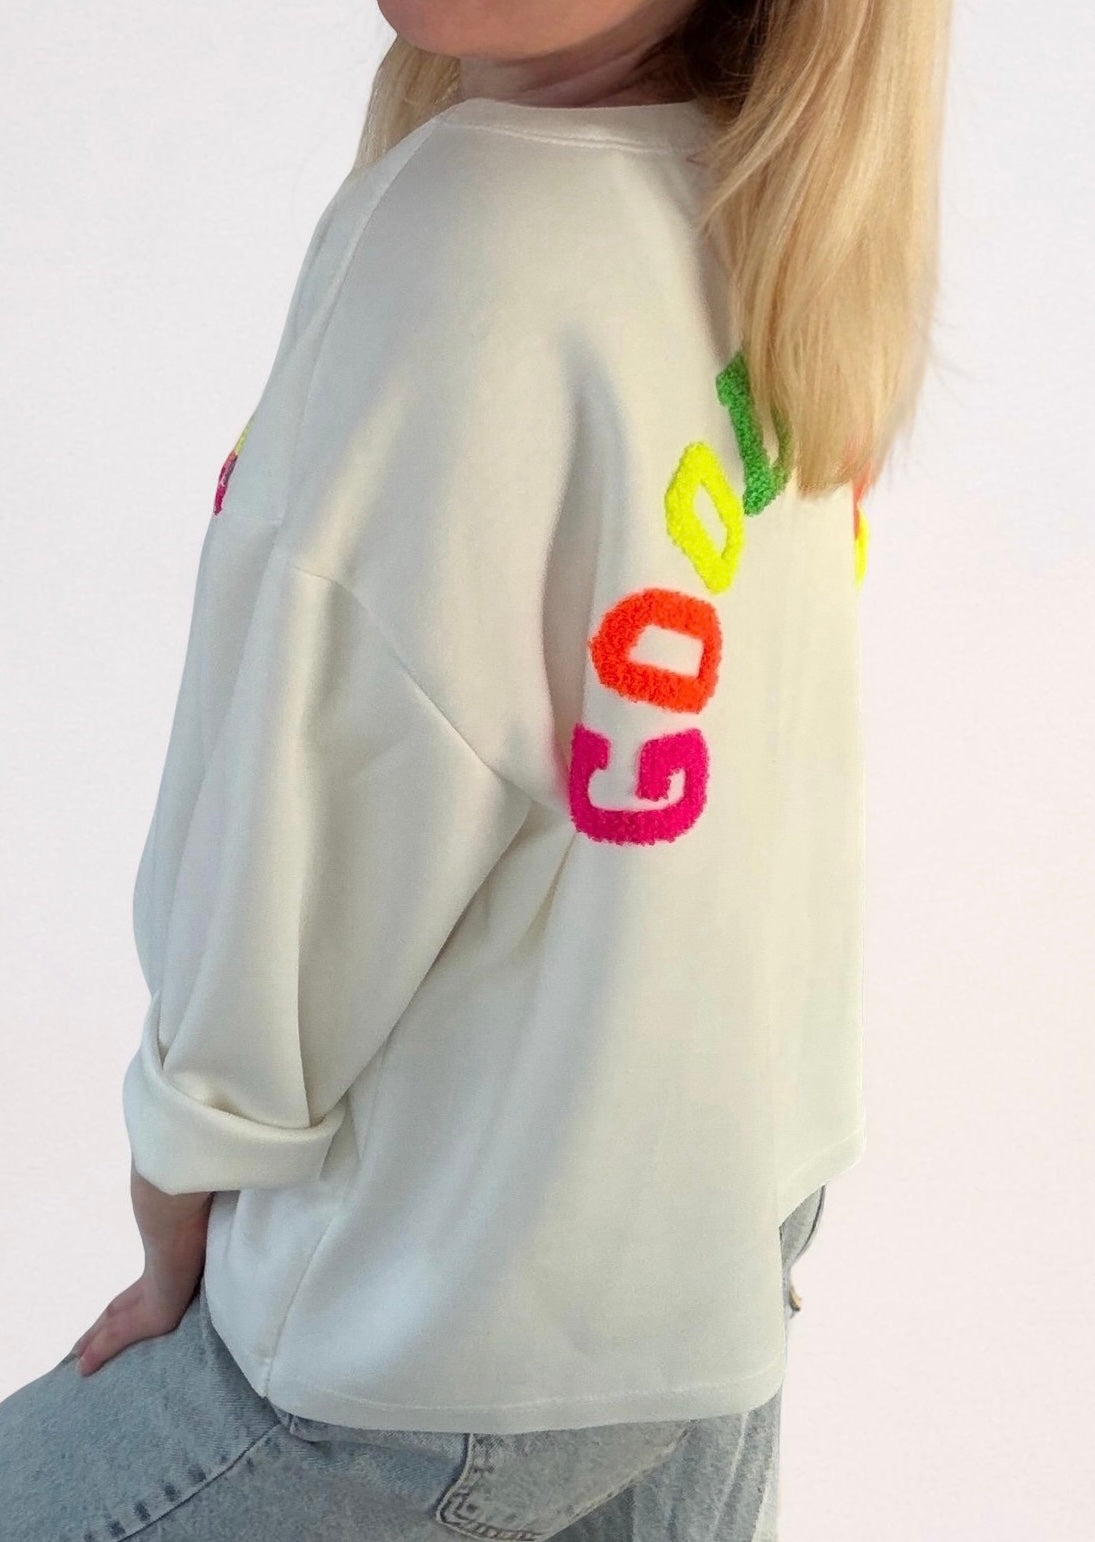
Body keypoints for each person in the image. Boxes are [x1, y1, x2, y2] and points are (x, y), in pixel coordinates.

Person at [0, 0, 953, 1537]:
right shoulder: (775, 212)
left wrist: (182, 1171)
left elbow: (300, 825)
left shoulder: (470, 234)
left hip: (433, 1320)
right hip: (715, 1265)